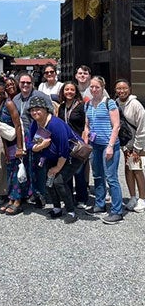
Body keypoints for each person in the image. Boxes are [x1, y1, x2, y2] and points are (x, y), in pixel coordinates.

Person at [26, 96, 83, 223]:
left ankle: (71, 212)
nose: (35, 112)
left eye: (38, 109)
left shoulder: (56, 124)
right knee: (49, 181)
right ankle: (57, 208)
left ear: (46, 110)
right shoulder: (35, 124)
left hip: (71, 156)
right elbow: (30, 145)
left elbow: (64, 149)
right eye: (32, 110)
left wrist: (57, 168)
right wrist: (41, 146)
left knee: (59, 181)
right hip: (51, 155)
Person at [84, 76, 123, 224]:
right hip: (95, 145)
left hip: (109, 145)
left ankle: (117, 210)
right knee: (98, 176)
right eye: (92, 87)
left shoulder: (109, 103)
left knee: (111, 177)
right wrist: (86, 142)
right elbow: (87, 126)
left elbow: (116, 126)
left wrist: (111, 146)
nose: (94, 90)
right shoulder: (87, 104)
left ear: (103, 87)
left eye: (97, 87)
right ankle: (100, 204)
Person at [13, 71, 54, 207]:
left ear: (33, 84)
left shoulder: (40, 96)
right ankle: (28, 193)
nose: (25, 85)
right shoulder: (16, 99)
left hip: (38, 135)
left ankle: (41, 195)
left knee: (39, 165)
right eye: (23, 82)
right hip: (22, 136)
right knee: (25, 165)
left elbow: (51, 114)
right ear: (19, 84)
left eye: (28, 83)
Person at [0, 79, 25, 214]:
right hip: (7, 142)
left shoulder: (9, 104)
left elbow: (18, 125)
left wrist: (19, 147)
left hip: (16, 141)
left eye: (0, 92)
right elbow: (1, 129)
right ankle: (11, 198)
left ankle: (18, 200)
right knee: (10, 172)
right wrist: (5, 148)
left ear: (4, 92)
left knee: (17, 172)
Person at [115, 79, 145, 213]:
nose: (121, 91)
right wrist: (124, 146)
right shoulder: (115, 103)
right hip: (126, 144)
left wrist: (137, 148)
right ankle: (132, 197)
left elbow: (142, 127)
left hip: (137, 144)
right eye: (119, 88)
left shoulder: (136, 104)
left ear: (130, 89)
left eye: (124, 88)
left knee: (137, 169)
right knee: (128, 169)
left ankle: (142, 198)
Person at [57, 81, 88, 209]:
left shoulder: (81, 106)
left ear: (76, 92)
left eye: (72, 90)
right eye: (66, 90)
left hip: (78, 143)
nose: (69, 92)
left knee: (79, 172)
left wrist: (85, 141)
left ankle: (82, 198)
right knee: (66, 173)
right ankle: (68, 197)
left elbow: (86, 125)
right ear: (63, 92)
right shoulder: (62, 107)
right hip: (65, 143)